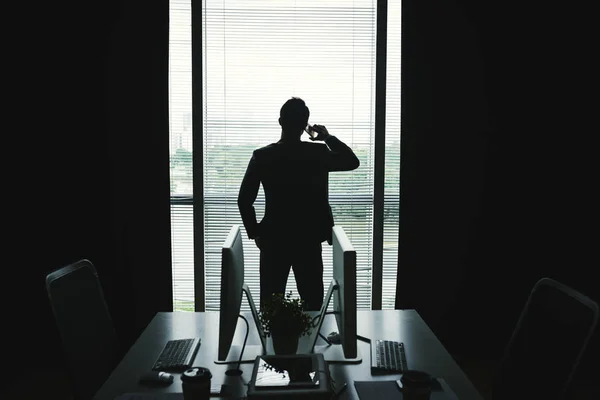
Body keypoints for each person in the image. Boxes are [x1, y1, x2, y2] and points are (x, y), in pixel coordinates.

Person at [237, 97, 360, 311]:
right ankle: (311, 344)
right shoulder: (317, 153)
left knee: (271, 306)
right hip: (309, 239)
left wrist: (255, 232)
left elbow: (244, 200)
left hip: (274, 239)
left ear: (280, 121)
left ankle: (273, 344)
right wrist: (327, 137)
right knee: (312, 304)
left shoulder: (263, 156)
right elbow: (352, 161)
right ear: (305, 126)